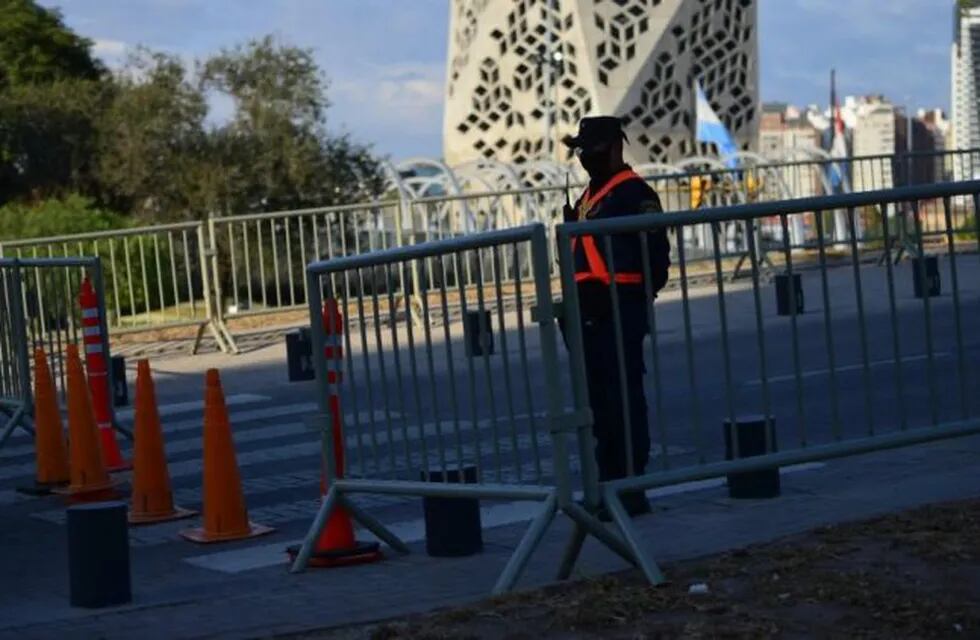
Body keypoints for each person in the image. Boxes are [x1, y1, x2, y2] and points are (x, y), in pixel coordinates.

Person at [560, 116, 671, 517]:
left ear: (615, 147)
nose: (585, 157)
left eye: (592, 150)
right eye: (581, 150)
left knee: (624, 400)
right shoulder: (591, 194)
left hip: (619, 308)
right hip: (587, 311)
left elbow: (657, 257)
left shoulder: (633, 193)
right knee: (600, 404)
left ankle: (630, 487)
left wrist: (636, 299)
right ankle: (607, 484)